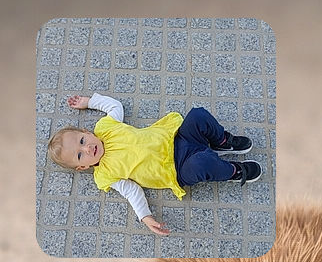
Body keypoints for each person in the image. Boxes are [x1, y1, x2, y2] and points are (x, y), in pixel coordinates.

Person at [48, 93, 261, 235]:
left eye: (83, 141)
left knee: (198, 115)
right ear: (83, 167)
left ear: (87, 132)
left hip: (178, 138)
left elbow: (115, 106)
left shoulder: (105, 127)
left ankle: (221, 142)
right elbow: (132, 191)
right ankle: (232, 171)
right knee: (202, 163)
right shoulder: (105, 174)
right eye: (80, 156)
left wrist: (89, 101)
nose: (87, 149)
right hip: (177, 168)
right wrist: (145, 216)